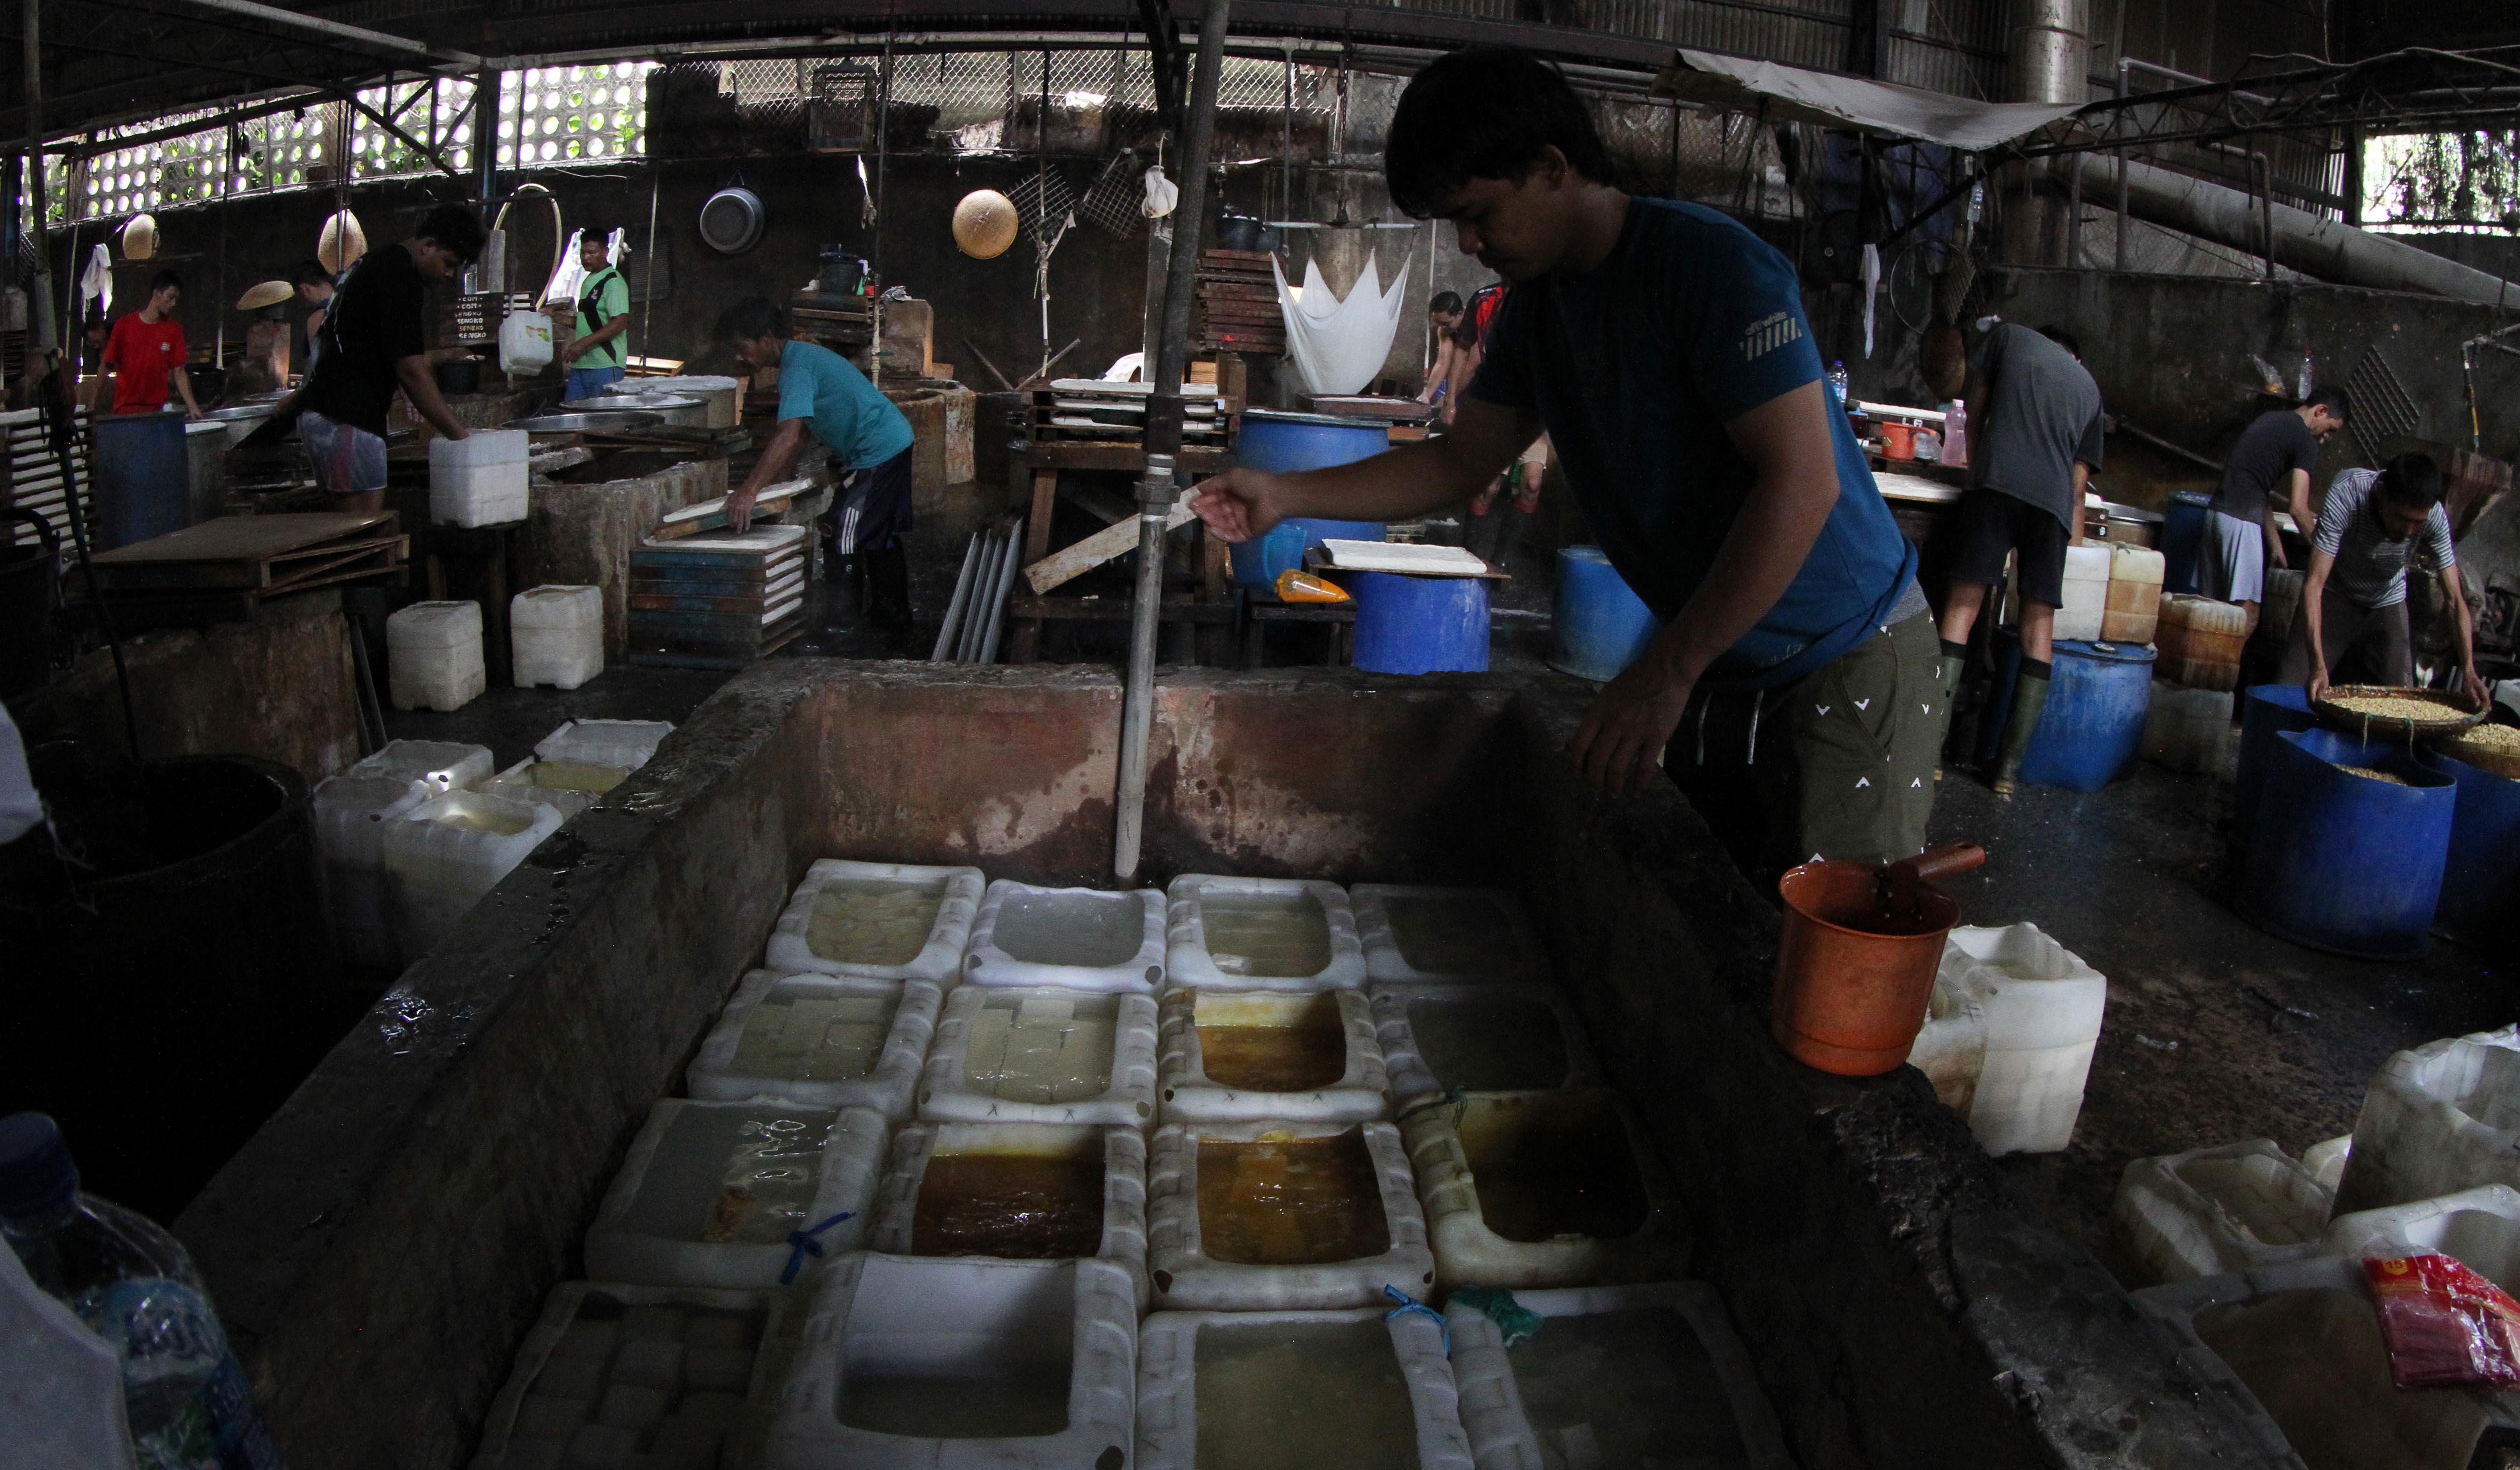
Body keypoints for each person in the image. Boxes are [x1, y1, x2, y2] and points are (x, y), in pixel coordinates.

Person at [1191, 47, 1936, 877]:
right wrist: (1283, 494)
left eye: (1478, 213)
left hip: (1848, 648)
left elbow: (1802, 483)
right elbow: (1458, 464)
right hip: (1721, 659)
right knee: (1710, 924)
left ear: (1551, 168)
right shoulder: (1538, 316)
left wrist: (1665, 670)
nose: (1469, 244)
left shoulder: (1707, 267)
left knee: (1830, 956)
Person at [1920, 320, 2106, 794]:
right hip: (2052, 508)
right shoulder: (2089, 388)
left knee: (1963, 609)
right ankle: (2006, 774)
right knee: (2038, 627)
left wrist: (1981, 469)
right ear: (2074, 357)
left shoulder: (2009, 338)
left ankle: (1931, 756)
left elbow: (1975, 409)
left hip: (1998, 483)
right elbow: (2079, 483)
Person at [719, 298, 918, 632]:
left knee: (841, 533)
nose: (740, 357)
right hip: (890, 441)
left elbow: (788, 433)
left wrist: (748, 491)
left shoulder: (796, 368)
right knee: (877, 533)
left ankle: (844, 626)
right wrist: (775, 489)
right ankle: (892, 621)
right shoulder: (799, 360)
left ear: (767, 338)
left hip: (877, 450)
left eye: (743, 347)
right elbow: (798, 438)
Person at [286, 204, 486, 515]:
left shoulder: (380, 264)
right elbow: (411, 369)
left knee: (347, 532)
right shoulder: (399, 275)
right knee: (360, 535)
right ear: (427, 246)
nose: (449, 274)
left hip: (328, 415)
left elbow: (394, 355)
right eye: (449, 263)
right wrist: (461, 437)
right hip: (347, 418)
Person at [2281, 453, 2487, 707]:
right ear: (2381, 493)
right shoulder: (2349, 493)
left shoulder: (2434, 517)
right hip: (2335, 595)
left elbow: (2455, 599)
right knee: (2289, 694)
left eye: (2417, 523)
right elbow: (2314, 585)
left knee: (2402, 705)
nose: (2409, 530)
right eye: (2401, 518)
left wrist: (2469, 670)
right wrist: (2318, 665)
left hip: (2387, 600)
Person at [2203, 387, 2351, 636]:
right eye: (2331, 429)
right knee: (2247, 617)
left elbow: (2259, 487)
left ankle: (2201, 673)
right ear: (2321, 411)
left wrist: (2276, 545)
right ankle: (2225, 675)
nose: (2328, 437)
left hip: (2215, 516)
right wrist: (2325, 549)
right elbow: (2298, 508)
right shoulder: (2306, 442)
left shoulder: (2270, 419)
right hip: (2242, 523)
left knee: (2211, 614)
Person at [88, 270, 203, 418]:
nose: (174, 304)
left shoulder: (174, 331)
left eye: (176, 300)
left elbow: (179, 372)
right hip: (126, 413)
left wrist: (193, 407)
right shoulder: (124, 327)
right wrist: (92, 404)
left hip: (158, 413)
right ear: (156, 294)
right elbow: (106, 366)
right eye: (171, 297)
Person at [554, 233, 632, 401]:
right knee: (573, 418)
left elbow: (620, 322)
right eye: (583, 253)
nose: (586, 258)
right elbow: (588, 322)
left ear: (605, 251)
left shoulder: (613, 282)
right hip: (582, 365)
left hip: (605, 365)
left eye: (592, 253)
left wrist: (582, 344)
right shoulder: (590, 280)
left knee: (601, 420)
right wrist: (554, 317)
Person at [1415, 291, 1466, 412]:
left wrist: (1448, 398)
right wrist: (1426, 395)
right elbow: (1443, 363)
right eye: (1439, 324)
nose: (1442, 328)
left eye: (1446, 324)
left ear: (1460, 314)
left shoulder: (1475, 323)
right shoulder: (1444, 328)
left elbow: (1471, 368)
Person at [291, 259, 337, 376]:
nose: (304, 303)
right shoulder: (348, 304)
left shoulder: (318, 318)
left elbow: (319, 370)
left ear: (305, 289)